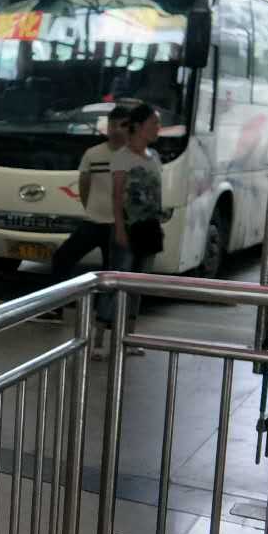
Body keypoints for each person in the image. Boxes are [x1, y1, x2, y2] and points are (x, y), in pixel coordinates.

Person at [43, 104, 131, 321]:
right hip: (93, 222)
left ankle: (107, 319)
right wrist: (90, 207)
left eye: (122, 125)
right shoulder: (93, 153)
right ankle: (55, 307)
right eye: (112, 125)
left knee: (113, 273)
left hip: (120, 226)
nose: (116, 130)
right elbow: (84, 185)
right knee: (62, 257)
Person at [94, 102, 163, 360]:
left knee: (138, 286)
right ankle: (98, 340)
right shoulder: (122, 157)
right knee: (116, 284)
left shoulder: (154, 157)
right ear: (139, 126)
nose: (158, 128)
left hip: (150, 228)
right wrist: (120, 229)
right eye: (154, 123)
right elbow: (117, 196)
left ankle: (129, 338)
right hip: (128, 228)